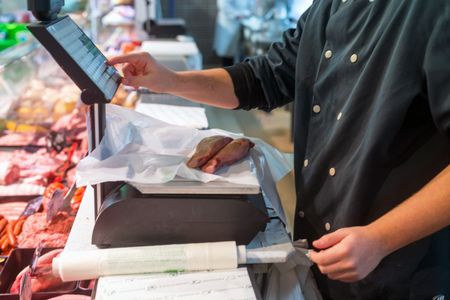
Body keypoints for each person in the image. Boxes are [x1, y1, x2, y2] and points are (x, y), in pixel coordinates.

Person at [109, 0, 450, 298]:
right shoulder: (330, 6)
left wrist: (380, 239)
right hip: (324, 249)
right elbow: (263, 79)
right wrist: (169, 81)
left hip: (402, 265)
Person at [213, 0, 254, 66]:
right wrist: (239, 14)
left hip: (244, 23)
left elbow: (251, 4)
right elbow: (224, 5)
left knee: (240, 55)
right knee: (227, 53)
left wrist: (247, 13)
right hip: (229, 24)